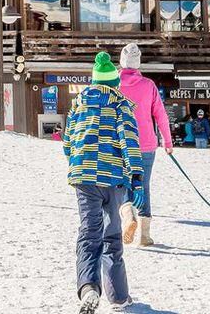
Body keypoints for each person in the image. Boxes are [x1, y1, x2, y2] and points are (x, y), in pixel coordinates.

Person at [65, 51, 140, 313]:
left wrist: (76, 165)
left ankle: (88, 288)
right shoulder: (121, 105)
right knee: (112, 235)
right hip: (113, 178)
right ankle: (119, 297)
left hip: (84, 177)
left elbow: (67, 142)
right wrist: (137, 178)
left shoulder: (78, 104)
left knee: (88, 233)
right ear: (114, 84)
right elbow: (129, 142)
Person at [116, 44, 172, 248]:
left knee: (123, 182)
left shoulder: (114, 85)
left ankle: (128, 212)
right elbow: (161, 115)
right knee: (144, 185)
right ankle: (144, 235)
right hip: (146, 143)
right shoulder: (148, 85)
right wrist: (168, 141)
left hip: (121, 143)